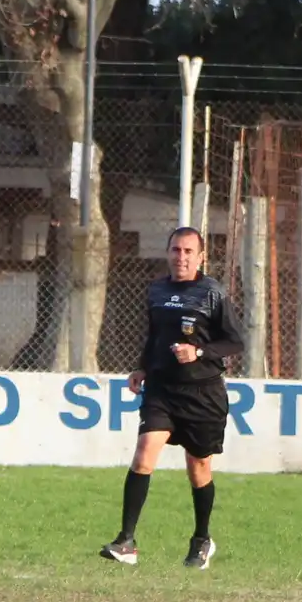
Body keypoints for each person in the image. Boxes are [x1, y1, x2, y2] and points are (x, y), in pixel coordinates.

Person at [100, 226, 245, 570]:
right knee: (143, 455)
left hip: (203, 394)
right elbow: (154, 336)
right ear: (168, 253)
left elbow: (235, 342)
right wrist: (142, 368)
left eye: (188, 251)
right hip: (162, 389)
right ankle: (127, 542)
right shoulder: (156, 290)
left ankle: (202, 540)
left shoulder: (212, 293)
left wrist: (199, 352)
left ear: (201, 256)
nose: (181, 257)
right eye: (176, 250)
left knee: (198, 468)